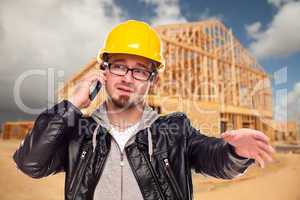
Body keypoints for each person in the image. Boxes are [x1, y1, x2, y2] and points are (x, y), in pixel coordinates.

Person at [13, 20, 274, 200]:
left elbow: (212, 157)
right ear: (103, 72)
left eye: (139, 70)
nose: (127, 77)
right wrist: (71, 105)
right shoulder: (79, 134)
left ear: (153, 80)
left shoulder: (175, 131)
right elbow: (31, 163)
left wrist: (235, 153)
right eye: (118, 65)